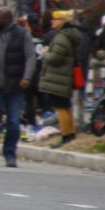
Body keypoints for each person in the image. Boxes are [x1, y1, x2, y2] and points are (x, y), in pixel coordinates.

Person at [0, 7, 36, 167]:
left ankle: (10, 153)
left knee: (13, 121)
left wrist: (27, 77)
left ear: (7, 19)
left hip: (15, 85)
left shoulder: (21, 34)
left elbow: (30, 56)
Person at [39, 10, 82, 148]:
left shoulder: (61, 38)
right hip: (63, 78)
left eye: (55, 19)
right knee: (65, 106)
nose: (52, 22)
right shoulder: (67, 36)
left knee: (60, 107)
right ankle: (70, 134)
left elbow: (55, 58)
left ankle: (66, 136)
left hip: (58, 78)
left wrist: (45, 53)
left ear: (62, 21)